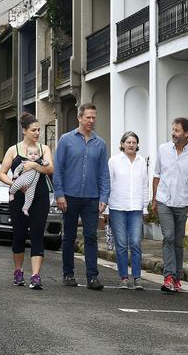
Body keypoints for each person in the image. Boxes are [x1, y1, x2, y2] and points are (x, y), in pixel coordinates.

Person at [54, 103, 110, 290]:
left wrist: (104, 197)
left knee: (91, 236)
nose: (91, 121)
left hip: (92, 198)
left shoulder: (100, 143)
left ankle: (92, 277)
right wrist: (59, 194)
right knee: (69, 236)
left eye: (94, 117)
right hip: (69, 196)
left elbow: (104, 173)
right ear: (79, 118)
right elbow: (58, 169)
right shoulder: (66, 140)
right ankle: (68, 274)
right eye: (88, 117)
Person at [0, 112, 54, 290]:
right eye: (33, 130)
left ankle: (36, 275)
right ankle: (18, 271)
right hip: (19, 197)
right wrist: (14, 183)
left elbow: (50, 169)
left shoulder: (43, 149)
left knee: (37, 234)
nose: (37, 133)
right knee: (19, 234)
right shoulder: (13, 150)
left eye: (38, 130)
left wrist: (35, 165)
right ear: (24, 131)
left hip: (40, 197)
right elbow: (1, 173)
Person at [151, 117, 188, 293]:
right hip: (164, 200)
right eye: (173, 130)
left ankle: (177, 278)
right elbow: (157, 175)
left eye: (177, 130)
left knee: (178, 242)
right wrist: (154, 199)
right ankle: (168, 276)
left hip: (183, 203)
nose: (173, 133)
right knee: (169, 236)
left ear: (186, 133)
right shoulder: (163, 149)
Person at [108, 131, 148, 290]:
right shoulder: (114, 161)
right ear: (122, 144)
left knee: (136, 243)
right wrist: (106, 210)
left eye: (134, 142)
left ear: (137, 144)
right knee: (122, 244)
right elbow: (108, 183)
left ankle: (137, 277)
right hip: (117, 207)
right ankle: (124, 277)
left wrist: (145, 207)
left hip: (136, 208)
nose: (131, 145)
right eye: (128, 142)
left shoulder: (141, 161)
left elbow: (145, 185)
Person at [9, 145, 48, 217]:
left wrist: (45, 162)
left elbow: (46, 164)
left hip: (32, 185)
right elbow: (18, 168)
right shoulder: (25, 162)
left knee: (30, 197)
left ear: (39, 155)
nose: (33, 156)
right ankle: (12, 193)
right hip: (23, 179)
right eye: (30, 154)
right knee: (16, 185)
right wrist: (16, 174)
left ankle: (25, 208)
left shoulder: (39, 162)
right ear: (27, 155)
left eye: (35, 154)